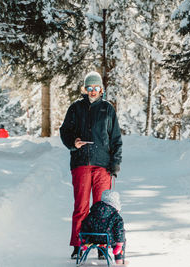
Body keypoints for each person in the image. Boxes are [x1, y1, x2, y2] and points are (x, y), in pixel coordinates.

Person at [60, 71, 122, 259]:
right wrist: (74, 142)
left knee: (102, 207)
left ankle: (102, 245)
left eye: (96, 88)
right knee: (81, 206)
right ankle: (79, 245)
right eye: (89, 88)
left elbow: (116, 139)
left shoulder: (107, 109)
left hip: (103, 165)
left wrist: (115, 163)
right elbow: (65, 131)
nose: (93, 91)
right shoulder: (75, 108)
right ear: (84, 89)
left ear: (101, 89)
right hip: (81, 163)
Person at [81, 190, 126, 264]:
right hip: (108, 240)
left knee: (95, 229)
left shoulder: (93, 212)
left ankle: (86, 245)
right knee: (121, 239)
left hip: (93, 239)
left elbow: (85, 225)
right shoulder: (115, 216)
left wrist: (84, 239)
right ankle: (119, 259)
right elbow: (119, 230)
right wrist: (119, 244)